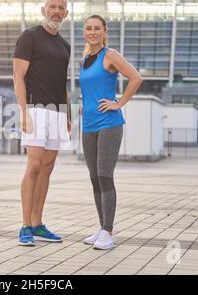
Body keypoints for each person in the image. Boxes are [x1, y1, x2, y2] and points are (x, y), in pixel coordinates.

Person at [12, 0, 72, 246]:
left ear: (66, 14)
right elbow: (18, 75)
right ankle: (25, 225)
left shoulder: (65, 45)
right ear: (43, 9)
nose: (56, 11)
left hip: (57, 111)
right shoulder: (30, 37)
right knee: (34, 167)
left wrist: (68, 115)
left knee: (48, 169)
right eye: (52, 7)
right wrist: (24, 112)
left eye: (61, 8)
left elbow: (63, 84)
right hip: (36, 109)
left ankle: (37, 223)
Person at [79, 15, 143, 250]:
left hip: (109, 124)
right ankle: (101, 227)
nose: (93, 32)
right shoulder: (84, 59)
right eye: (88, 28)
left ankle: (109, 231)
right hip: (88, 125)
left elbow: (136, 77)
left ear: (105, 32)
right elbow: (91, 88)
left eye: (97, 28)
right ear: (84, 32)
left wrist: (119, 103)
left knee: (105, 175)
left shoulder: (110, 55)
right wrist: (83, 104)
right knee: (94, 178)